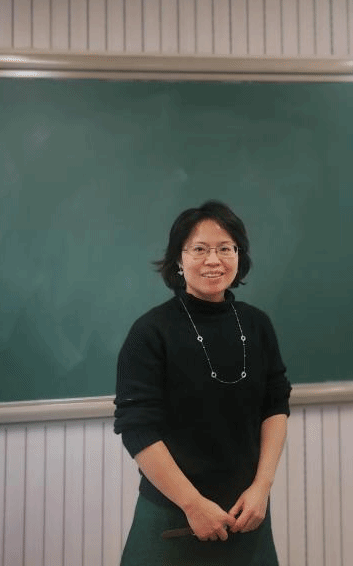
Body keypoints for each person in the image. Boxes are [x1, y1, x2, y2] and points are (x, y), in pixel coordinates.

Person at [114, 200, 292, 566]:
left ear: (239, 256)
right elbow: (137, 428)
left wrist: (262, 487)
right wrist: (193, 505)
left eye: (226, 248)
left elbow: (275, 406)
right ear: (179, 260)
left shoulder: (257, 325)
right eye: (199, 249)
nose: (214, 260)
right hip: (174, 514)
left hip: (247, 512)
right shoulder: (149, 332)